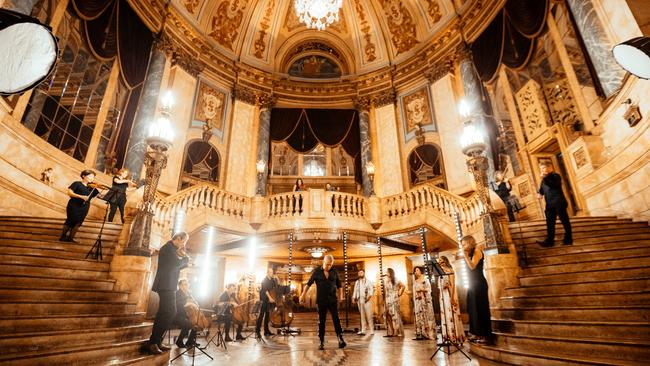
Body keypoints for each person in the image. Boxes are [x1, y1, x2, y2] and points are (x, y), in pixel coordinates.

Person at [145, 232, 190, 355]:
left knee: (165, 313)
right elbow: (176, 264)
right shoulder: (168, 248)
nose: (184, 244)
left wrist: (184, 260)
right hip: (166, 285)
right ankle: (154, 342)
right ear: (178, 238)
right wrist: (185, 258)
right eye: (184, 241)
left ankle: (156, 341)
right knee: (170, 312)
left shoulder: (172, 250)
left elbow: (176, 267)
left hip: (169, 285)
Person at [300, 254, 346, 350]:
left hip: (333, 300)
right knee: (322, 321)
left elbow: (340, 285)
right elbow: (308, 284)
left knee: (336, 319)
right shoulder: (317, 272)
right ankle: (321, 342)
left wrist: (341, 296)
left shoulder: (334, 272)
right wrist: (303, 295)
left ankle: (340, 339)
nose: (329, 266)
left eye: (330, 265)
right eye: (327, 264)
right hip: (321, 301)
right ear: (323, 262)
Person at [462, 235, 492, 344]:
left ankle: (486, 335)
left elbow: (473, 266)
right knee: (473, 310)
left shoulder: (477, 251)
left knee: (481, 309)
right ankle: (476, 333)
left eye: (464, 244)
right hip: (472, 285)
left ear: (470, 243)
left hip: (479, 284)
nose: (463, 246)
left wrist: (465, 256)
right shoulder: (469, 253)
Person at [536, 162, 573, 247]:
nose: (541, 170)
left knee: (565, 221)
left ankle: (568, 240)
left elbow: (553, 185)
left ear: (549, 168)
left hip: (559, 202)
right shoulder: (543, 180)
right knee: (550, 223)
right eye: (540, 169)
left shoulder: (556, 176)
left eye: (543, 168)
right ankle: (549, 241)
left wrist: (544, 178)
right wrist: (539, 194)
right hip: (549, 205)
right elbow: (541, 190)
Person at [59, 170, 102, 242]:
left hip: (85, 207)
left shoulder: (92, 188)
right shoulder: (77, 183)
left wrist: (107, 193)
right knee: (70, 220)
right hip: (74, 205)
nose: (92, 178)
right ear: (83, 176)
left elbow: (100, 196)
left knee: (79, 222)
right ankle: (63, 237)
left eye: (93, 177)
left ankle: (70, 238)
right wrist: (81, 196)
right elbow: (70, 193)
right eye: (90, 176)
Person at [437, 256, 465, 344]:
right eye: (439, 262)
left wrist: (452, 297)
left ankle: (455, 336)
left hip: (449, 294)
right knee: (445, 315)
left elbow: (452, 284)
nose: (441, 263)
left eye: (442, 261)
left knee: (451, 314)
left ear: (446, 261)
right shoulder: (440, 273)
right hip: (443, 296)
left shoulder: (450, 271)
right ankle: (447, 337)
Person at [174, 279, 198, 348]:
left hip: (186, 314)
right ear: (180, 286)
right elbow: (177, 305)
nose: (186, 286)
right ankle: (179, 341)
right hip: (177, 315)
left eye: (187, 284)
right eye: (184, 284)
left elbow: (192, 303)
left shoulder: (188, 294)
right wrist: (187, 303)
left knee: (196, 322)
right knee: (189, 323)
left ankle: (190, 341)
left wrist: (195, 303)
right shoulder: (177, 293)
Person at [412, 267, 435, 340]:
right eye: (415, 271)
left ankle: (430, 333)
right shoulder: (415, 281)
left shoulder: (425, 279)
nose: (416, 272)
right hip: (418, 301)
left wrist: (422, 290)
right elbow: (414, 291)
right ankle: (422, 333)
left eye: (417, 270)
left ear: (421, 271)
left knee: (427, 315)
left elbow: (429, 289)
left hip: (425, 300)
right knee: (420, 315)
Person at [382, 268, 404, 337]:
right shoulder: (385, 281)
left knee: (395, 315)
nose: (386, 273)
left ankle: (396, 331)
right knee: (387, 315)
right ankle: (391, 330)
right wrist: (384, 300)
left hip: (394, 298)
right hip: (387, 299)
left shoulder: (396, 279)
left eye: (387, 272)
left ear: (391, 272)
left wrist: (399, 293)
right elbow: (385, 291)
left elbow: (403, 286)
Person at [351, 269, 374, 335]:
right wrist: (353, 298)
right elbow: (355, 291)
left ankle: (372, 330)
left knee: (369, 316)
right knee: (362, 316)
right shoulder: (357, 282)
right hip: (359, 300)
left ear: (364, 273)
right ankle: (363, 330)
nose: (360, 274)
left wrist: (368, 298)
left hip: (366, 300)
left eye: (361, 273)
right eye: (359, 273)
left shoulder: (368, 282)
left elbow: (371, 290)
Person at [255, 267, 277, 338]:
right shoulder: (264, 280)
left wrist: (277, 279)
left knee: (267, 316)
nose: (272, 273)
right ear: (267, 273)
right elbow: (266, 291)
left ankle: (266, 331)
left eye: (272, 272)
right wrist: (270, 298)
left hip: (269, 301)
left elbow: (274, 289)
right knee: (261, 315)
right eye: (270, 272)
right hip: (264, 300)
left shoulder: (273, 280)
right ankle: (257, 332)